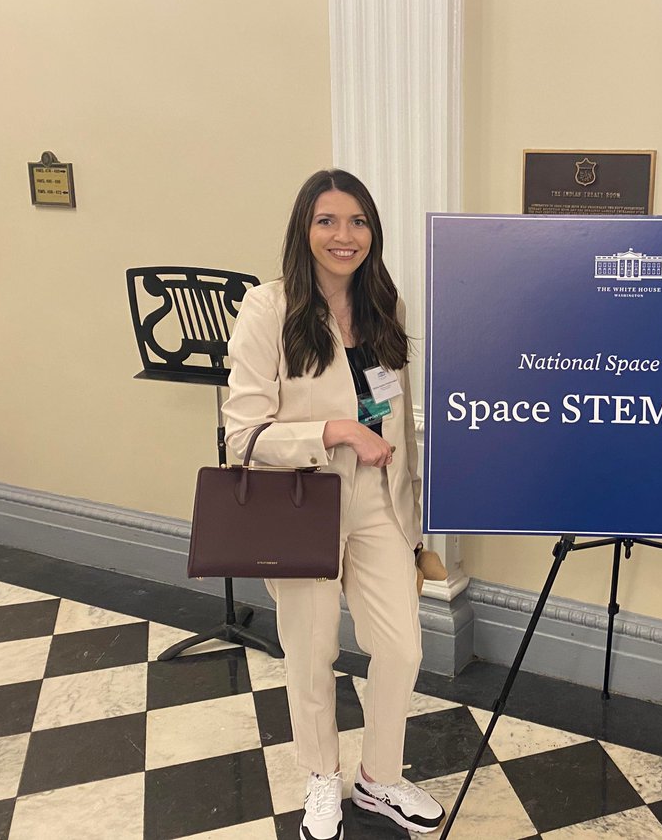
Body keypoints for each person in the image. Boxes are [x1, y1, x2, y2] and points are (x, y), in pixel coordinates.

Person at [222, 169, 445, 839]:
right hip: (303, 502)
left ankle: (379, 777)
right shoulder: (270, 308)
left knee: (401, 648)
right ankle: (322, 776)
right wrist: (334, 431)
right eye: (327, 221)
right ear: (305, 229)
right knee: (312, 652)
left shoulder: (385, 305)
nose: (343, 236)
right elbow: (244, 435)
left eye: (357, 222)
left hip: (378, 500)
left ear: (371, 232)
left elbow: (395, 418)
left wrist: (412, 511)